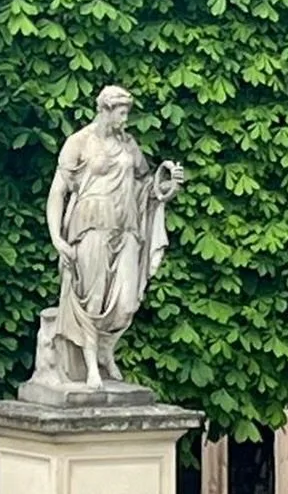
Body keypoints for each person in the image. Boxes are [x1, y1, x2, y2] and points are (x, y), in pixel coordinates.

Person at [44, 85, 185, 385]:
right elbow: (58, 192)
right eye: (121, 113)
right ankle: (91, 365)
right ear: (105, 110)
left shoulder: (129, 144)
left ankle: (106, 348)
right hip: (90, 226)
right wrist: (57, 238)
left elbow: (146, 188)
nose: (125, 120)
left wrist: (167, 186)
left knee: (127, 302)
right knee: (92, 300)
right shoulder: (79, 142)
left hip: (127, 227)